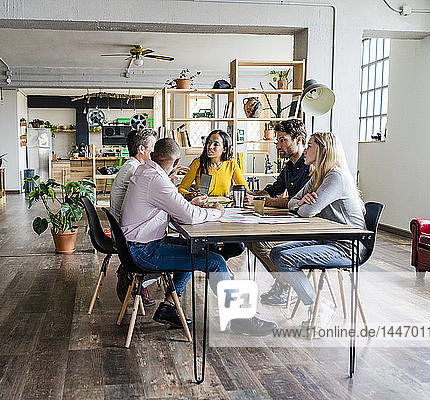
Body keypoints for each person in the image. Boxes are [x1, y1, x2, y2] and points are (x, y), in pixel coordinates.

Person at [120, 138, 275, 335]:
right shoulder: (156, 180)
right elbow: (189, 216)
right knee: (216, 260)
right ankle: (239, 318)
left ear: (152, 155)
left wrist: (189, 204)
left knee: (196, 247)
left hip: (139, 244)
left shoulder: (145, 171)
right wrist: (216, 212)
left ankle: (169, 306)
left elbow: (171, 206)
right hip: (143, 250)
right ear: (176, 163)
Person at [269, 131, 366, 329]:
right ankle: (319, 304)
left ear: (323, 150)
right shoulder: (318, 176)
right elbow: (293, 201)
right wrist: (300, 203)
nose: (305, 150)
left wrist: (301, 205)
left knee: (286, 258)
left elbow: (307, 211)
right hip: (329, 240)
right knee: (277, 252)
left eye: (310, 145)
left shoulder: (335, 177)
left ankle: (319, 307)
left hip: (348, 246)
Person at [244, 119, 311, 306]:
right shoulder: (290, 165)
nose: (278, 145)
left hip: (307, 225)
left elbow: (295, 202)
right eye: (277, 140)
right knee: (249, 239)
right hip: (293, 221)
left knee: (260, 242)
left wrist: (261, 200)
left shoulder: (309, 166)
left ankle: (289, 286)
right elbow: (274, 189)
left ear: (298, 140)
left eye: (282, 140)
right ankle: (284, 282)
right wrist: (252, 194)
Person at [177, 129, 245, 260]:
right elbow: (181, 189)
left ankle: (218, 262)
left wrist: (235, 194)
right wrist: (191, 195)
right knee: (210, 245)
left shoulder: (231, 163)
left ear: (224, 149)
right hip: (204, 212)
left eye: (215, 144)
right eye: (209, 143)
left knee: (238, 246)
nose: (210, 147)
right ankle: (217, 268)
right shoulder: (198, 163)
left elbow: (243, 188)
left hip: (225, 212)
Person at [110, 128, 157, 306]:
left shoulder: (132, 166)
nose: (155, 151)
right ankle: (133, 276)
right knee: (166, 243)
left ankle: (138, 280)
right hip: (126, 237)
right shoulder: (134, 169)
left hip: (123, 230)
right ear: (141, 149)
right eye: (152, 147)